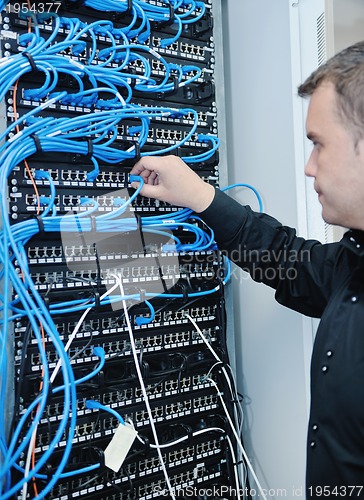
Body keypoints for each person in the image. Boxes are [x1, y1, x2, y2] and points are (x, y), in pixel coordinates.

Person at [130, 41, 364, 498]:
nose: (308, 167)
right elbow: (289, 260)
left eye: (319, 145)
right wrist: (202, 197)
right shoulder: (353, 265)